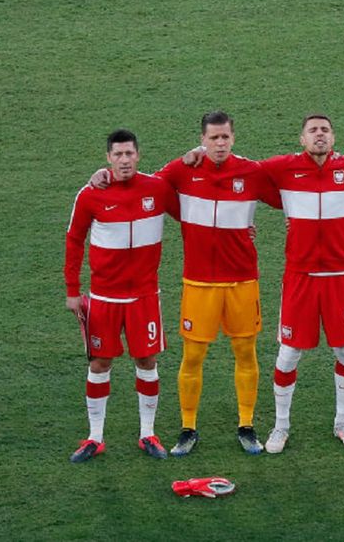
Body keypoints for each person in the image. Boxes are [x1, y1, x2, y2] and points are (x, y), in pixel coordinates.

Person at [154, 112, 282, 454]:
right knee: (193, 355)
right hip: (198, 283)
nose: (220, 144)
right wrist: (183, 157)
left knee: (245, 352)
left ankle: (246, 425)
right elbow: (150, 187)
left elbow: (291, 195)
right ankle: (188, 428)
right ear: (203, 139)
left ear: (233, 138)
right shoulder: (183, 170)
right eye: (213, 138)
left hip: (242, 281)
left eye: (225, 137)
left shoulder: (251, 172)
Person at [261, 115, 344, 452]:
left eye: (325, 130)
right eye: (313, 130)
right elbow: (247, 174)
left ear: (333, 137)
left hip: (341, 277)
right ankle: (280, 427)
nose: (319, 135)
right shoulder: (285, 167)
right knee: (288, 354)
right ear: (302, 139)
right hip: (301, 278)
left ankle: (342, 423)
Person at [65, 129, 176, 462]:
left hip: (144, 297)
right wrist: (72, 291)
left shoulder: (157, 189)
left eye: (130, 154)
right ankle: (95, 437)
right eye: (118, 155)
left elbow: (193, 213)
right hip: (104, 298)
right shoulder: (90, 194)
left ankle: (148, 434)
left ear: (138, 156)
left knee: (147, 360)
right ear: (108, 158)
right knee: (100, 363)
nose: (124, 160)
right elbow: (74, 240)